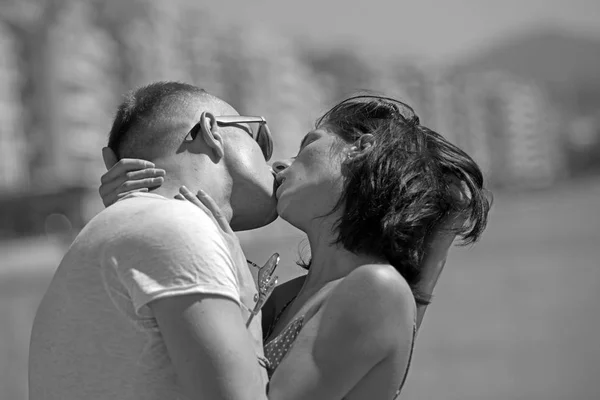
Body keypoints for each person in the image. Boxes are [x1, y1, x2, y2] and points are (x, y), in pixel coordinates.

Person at [100, 93, 491, 399]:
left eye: (308, 144)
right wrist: (137, 207)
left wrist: (238, 273)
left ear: (361, 148)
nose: (281, 165)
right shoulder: (281, 298)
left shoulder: (378, 288)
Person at [29, 82, 278, 400]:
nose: (275, 162)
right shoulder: (178, 227)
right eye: (260, 138)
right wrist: (248, 306)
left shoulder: (112, 231)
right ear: (212, 130)